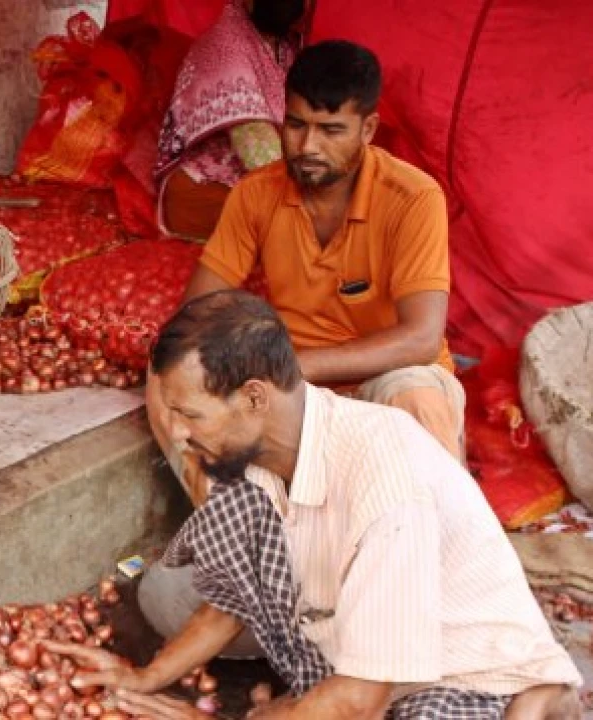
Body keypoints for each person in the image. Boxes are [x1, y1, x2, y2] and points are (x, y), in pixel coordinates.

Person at [49, 291, 582, 719]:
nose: (180, 435)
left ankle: (537, 697)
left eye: (192, 415)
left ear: (254, 397)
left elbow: (361, 700)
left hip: (457, 678)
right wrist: (145, 677)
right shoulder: (255, 456)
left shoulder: (385, 481)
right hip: (354, 659)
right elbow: (234, 596)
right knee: (173, 593)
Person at [148, 39, 466, 509]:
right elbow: (197, 314)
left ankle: (445, 545)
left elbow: (419, 340)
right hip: (296, 391)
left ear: (368, 129)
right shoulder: (256, 195)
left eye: (330, 130)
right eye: (296, 125)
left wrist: (297, 367)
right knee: (166, 372)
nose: (307, 146)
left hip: (383, 376)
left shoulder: (414, 197)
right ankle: (238, 530)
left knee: (414, 396)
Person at [156, 0, 306, 242]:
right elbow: (257, 145)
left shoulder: (289, 46)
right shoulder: (224, 43)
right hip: (202, 192)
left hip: (264, 183)